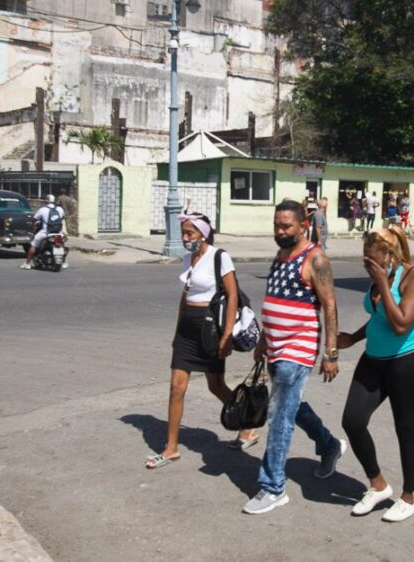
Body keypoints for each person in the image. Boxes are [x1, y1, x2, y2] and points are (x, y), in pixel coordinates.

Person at [243, 200, 347, 515]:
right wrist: (263, 339)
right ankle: (329, 446)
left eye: (286, 226)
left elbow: (329, 305)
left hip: (298, 349)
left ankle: (273, 487)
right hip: (275, 347)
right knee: (291, 407)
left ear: (302, 225)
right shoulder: (280, 254)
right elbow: (273, 301)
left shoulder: (315, 258)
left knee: (278, 416)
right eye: (276, 225)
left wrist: (330, 353)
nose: (280, 231)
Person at [145, 213, 259, 468]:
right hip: (187, 331)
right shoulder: (188, 259)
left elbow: (232, 297)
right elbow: (185, 297)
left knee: (216, 386)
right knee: (176, 386)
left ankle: (247, 426)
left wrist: (227, 336)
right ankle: (171, 448)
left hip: (210, 330)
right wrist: (177, 332)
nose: (185, 239)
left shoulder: (220, 257)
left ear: (203, 234)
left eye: (190, 233)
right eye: (184, 233)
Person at [338, 226, 414, 522]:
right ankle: (378, 484)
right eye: (364, 260)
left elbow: (401, 323)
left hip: (407, 362)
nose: (366, 265)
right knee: (352, 421)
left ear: (389, 255)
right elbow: (378, 319)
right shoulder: (378, 277)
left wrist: (381, 281)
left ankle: (408, 497)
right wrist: (353, 338)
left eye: (371, 260)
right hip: (373, 360)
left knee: (405, 428)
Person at [22, 194, 67, 270]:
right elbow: (62, 218)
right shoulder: (60, 209)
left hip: (46, 233)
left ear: (46, 201)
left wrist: (32, 224)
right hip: (58, 233)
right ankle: (64, 262)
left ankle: (27, 263)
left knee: (33, 244)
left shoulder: (43, 209)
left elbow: (34, 219)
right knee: (61, 245)